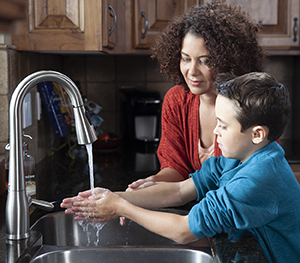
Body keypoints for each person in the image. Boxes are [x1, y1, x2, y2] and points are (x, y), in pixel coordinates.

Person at [61, 72, 300, 263]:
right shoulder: (237, 158)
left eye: (224, 126)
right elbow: (180, 190)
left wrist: (122, 208)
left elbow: (184, 231)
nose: (215, 131)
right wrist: (115, 197)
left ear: (257, 134)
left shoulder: (258, 179)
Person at [128, 1, 266, 190]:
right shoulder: (177, 100)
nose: (192, 71)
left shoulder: (253, 105)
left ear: (228, 61)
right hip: (199, 210)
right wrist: (154, 183)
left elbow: (248, 181)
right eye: (186, 59)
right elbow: (176, 167)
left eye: (205, 61)